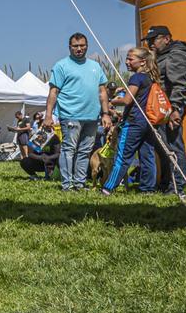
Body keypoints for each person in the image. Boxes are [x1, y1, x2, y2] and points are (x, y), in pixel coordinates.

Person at [44, 33, 110, 190]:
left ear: (87, 46)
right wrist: (48, 115)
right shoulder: (61, 66)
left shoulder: (95, 66)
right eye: (75, 46)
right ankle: (67, 184)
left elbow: (102, 91)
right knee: (68, 150)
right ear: (70, 47)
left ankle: (79, 184)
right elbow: (53, 92)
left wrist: (105, 113)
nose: (79, 49)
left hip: (92, 116)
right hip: (70, 115)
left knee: (85, 151)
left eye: (82, 45)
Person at [143, 25, 186, 194]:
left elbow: (179, 84)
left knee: (174, 146)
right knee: (164, 147)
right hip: (161, 108)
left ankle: (177, 186)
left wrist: (175, 109)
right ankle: (167, 183)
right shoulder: (160, 56)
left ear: (167, 38)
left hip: (171, 108)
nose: (150, 43)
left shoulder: (177, 54)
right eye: (148, 40)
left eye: (154, 39)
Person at [101, 47, 160, 195]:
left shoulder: (136, 78)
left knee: (122, 157)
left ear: (142, 62)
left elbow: (127, 100)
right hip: (148, 122)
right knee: (147, 156)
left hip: (134, 122)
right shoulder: (151, 78)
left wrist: (113, 101)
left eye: (130, 59)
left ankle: (108, 188)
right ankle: (148, 189)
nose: (126, 62)